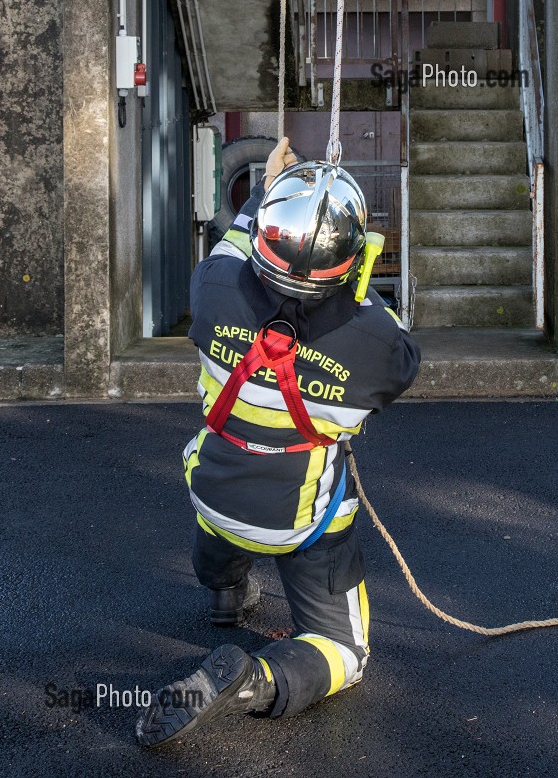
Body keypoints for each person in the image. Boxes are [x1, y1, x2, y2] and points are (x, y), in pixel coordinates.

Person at [136, 137, 420, 748]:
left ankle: (225, 592)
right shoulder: (373, 345)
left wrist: (268, 188)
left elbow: (233, 246)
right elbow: (395, 347)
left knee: (219, 514)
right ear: (350, 261)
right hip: (298, 521)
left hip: (212, 495)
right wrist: (353, 284)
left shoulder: (211, 291)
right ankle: (252, 681)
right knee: (346, 652)